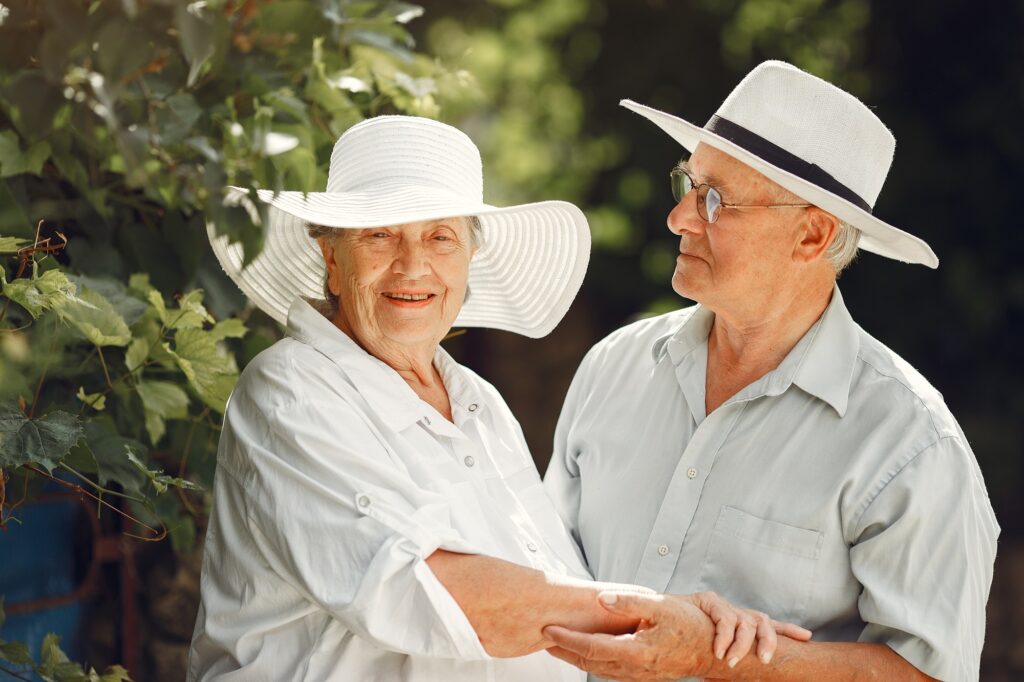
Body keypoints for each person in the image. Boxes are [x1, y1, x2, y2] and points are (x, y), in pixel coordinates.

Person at [188, 116, 798, 681]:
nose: (413, 266)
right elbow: (427, 592)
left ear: (471, 255)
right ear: (330, 253)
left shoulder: (476, 400)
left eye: (441, 238)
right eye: (379, 235)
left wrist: (705, 628)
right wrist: (660, 619)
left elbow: (551, 586)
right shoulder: (293, 390)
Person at [543, 61, 999, 681]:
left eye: (714, 201)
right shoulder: (613, 366)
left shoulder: (911, 444)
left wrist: (721, 657)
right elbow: (540, 568)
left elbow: (927, 674)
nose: (679, 220)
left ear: (812, 235)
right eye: (688, 185)